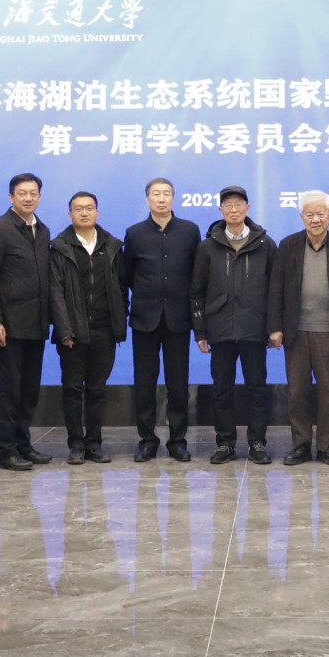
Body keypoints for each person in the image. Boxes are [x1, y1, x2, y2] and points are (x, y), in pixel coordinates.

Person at [268, 191, 329, 465]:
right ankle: (300, 446)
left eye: (321, 214)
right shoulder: (288, 245)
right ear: (302, 217)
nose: (315, 219)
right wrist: (275, 327)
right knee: (297, 392)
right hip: (295, 332)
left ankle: (327, 447)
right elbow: (276, 288)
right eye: (310, 214)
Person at [191, 185, 274, 465]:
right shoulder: (207, 246)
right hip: (220, 329)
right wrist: (200, 331)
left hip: (254, 328)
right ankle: (225, 443)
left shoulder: (265, 244)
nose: (234, 209)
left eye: (239, 204)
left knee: (257, 389)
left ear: (248, 208)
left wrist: (274, 327)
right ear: (220, 210)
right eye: (228, 205)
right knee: (221, 390)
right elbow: (197, 292)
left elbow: (275, 290)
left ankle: (257, 442)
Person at [0, 172, 56, 472]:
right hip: (8, 325)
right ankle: (5, 449)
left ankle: (23, 443)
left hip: (36, 323)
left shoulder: (43, 230)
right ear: (11, 197)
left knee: (29, 389)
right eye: (22, 193)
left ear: (39, 196)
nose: (28, 198)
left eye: (33, 193)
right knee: (9, 390)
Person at [122, 177, 201, 461]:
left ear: (173, 198)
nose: (162, 199)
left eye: (167, 193)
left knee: (178, 384)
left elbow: (196, 274)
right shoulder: (134, 233)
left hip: (178, 318)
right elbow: (127, 275)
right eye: (156, 194)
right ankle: (147, 440)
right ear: (148, 199)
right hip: (145, 318)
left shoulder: (190, 231)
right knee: (144, 384)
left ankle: (177, 441)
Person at [50, 191, 126, 464]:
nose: (84, 213)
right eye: (78, 208)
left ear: (97, 212)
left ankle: (94, 443)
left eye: (89, 208)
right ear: (69, 214)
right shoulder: (60, 247)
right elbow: (56, 292)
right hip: (72, 332)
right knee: (72, 389)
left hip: (104, 330)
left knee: (97, 390)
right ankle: (76, 444)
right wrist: (64, 330)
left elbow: (121, 289)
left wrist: (119, 322)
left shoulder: (112, 246)